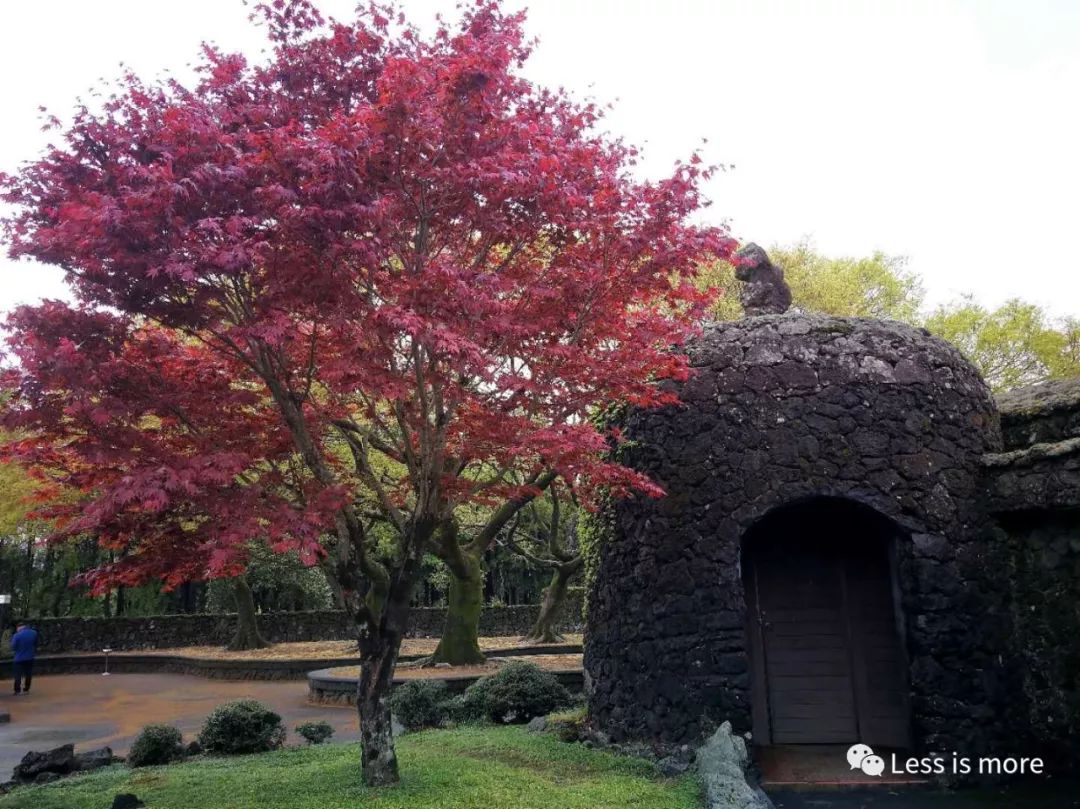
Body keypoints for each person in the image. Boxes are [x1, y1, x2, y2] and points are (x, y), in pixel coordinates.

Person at [11, 622, 39, 695]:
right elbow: (35, 644)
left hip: (19, 658)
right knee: (28, 674)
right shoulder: (34, 633)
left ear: (19, 627)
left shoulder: (17, 635)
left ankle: (17, 690)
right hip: (30, 657)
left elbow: (13, 647)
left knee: (18, 675)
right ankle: (26, 689)